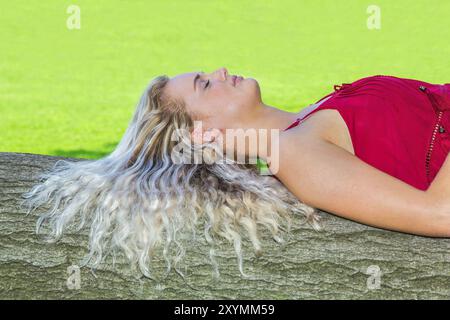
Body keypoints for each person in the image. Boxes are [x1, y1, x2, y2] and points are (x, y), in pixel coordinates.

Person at [22, 68, 450, 280]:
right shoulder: (294, 154)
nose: (222, 70)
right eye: (206, 84)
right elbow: (440, 214)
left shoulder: (303, 123)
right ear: (203, 133)